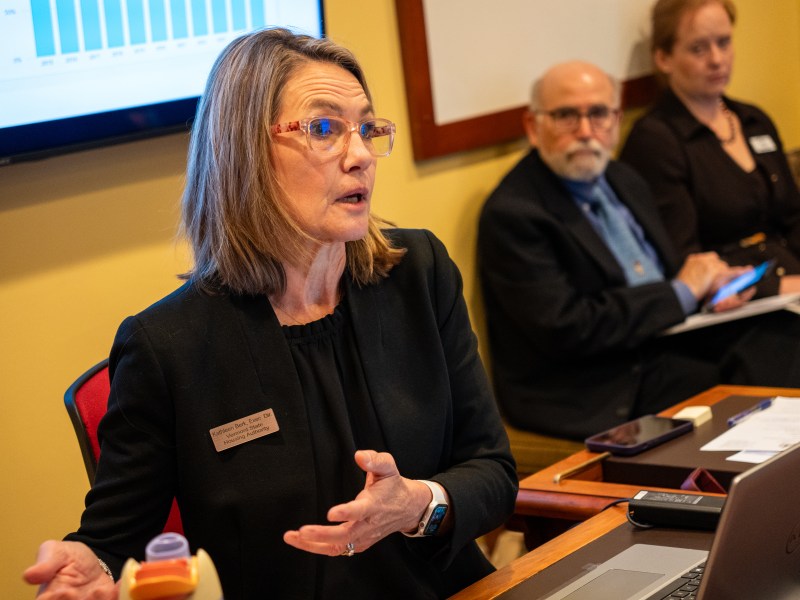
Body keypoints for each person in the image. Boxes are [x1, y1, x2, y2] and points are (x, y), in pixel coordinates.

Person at [24, 28, 517, 600]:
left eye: (366, 129)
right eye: (324, 129)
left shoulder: (418, 272)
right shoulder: (168, 347)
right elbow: (113, 541)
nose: (360, 156)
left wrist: (418, 505)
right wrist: (89, 567)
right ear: (247, 153)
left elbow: (492, 471)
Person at [477, 60, 758, 441]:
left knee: (776, 338)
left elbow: (662, 274)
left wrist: (709, 289)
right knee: (741, 379)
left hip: (659, 341)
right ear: (533, 126)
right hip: (593, 384)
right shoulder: (515, 213)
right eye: (566, 116)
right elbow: (569, 329)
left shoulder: (624, 179)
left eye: (598, 114)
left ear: (616, 119)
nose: (585, 131)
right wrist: (681, 293)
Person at [620, 0, 800, 298]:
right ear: (664, 58)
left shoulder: (754, 120)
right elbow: (684, 262)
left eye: (724, 42)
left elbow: (794, 217)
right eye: (698, 49)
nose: (717, 59)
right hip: (733, 301)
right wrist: (780, 287)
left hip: (789, 279)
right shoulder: (655, 141)